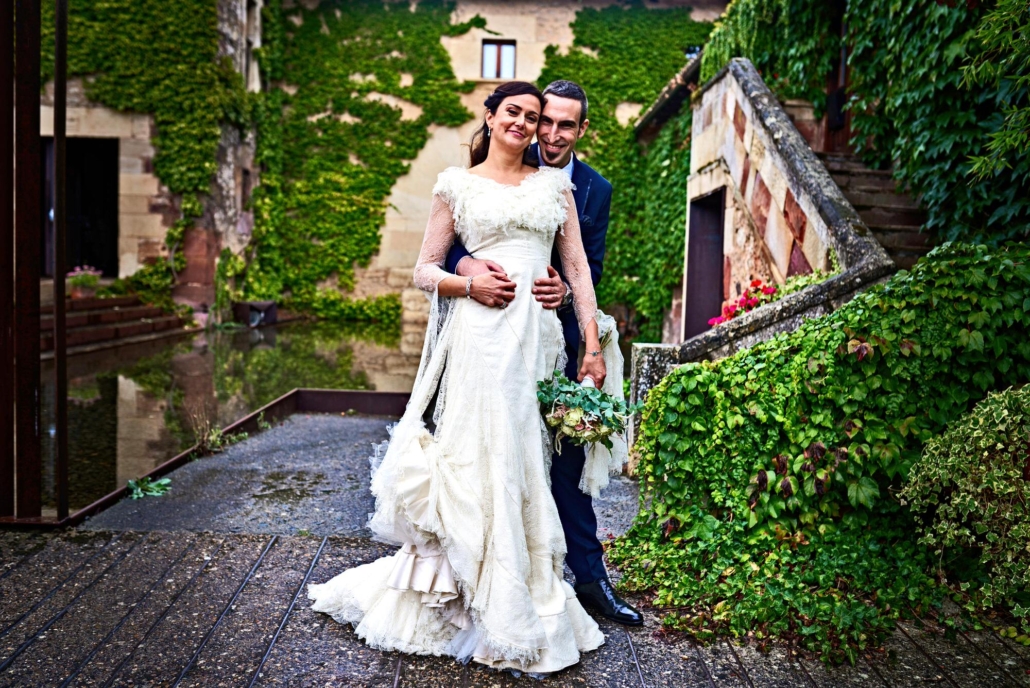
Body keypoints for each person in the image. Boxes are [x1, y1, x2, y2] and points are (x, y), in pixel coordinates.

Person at [308, 81, 609, 674]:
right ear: (491, 118)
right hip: (480, 335)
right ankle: (468, 591)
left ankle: (519, 587)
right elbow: (423, 269)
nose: (526, 125)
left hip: (535, 339)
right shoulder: (456, 184)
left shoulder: (557, 186)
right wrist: (468, 282)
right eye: (515, 114)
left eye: (535, 117)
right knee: (479, 454)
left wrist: (592, 346)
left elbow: (576, 265)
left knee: (524, 457)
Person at [444, 80, 642, 627]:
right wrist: (467, 270)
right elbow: (459, 232)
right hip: (491, 330)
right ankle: (473, 574)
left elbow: (587, 267)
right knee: (491, 454)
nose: (548, 133)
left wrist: (568, 302)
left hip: (560, 336)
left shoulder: (593, 189)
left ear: (581, 131)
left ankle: (591, 580)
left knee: (567, 461)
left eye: (564, 125)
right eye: (544, 121)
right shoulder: (505, 153)